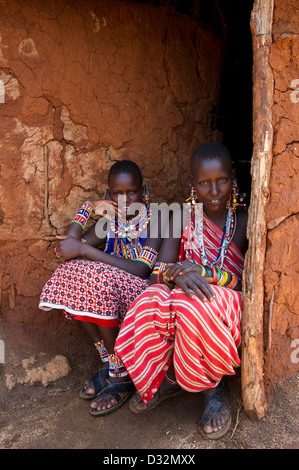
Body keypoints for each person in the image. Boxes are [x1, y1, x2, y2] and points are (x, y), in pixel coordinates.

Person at [115, 143, 248, 439]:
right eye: (203, 183)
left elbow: (250, 283)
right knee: (150, 299)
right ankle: (172, 376)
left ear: (233, 177)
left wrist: (206, 274)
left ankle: (213, 390)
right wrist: (177, 275)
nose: (214, 191)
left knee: (193, 304)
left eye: (222, 180)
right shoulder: (181, 217)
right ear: (191, 183)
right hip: (183, 297)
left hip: (228, 303)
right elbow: (156, 275)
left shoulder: (245, 220)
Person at [39, 160, 165, 416]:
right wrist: (86, 209)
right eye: (117, 194)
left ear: (144, 192)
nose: (126, 199)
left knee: (97, 277)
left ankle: (120, 376)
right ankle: (110, 363)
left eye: (132, 191)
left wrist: (86, 249)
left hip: (142, 295)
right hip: (109, 293)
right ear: (108, 196)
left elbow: (141, 269)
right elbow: (65, 251)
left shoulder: (159, 219)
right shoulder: (109, 222)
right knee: (69, 273)